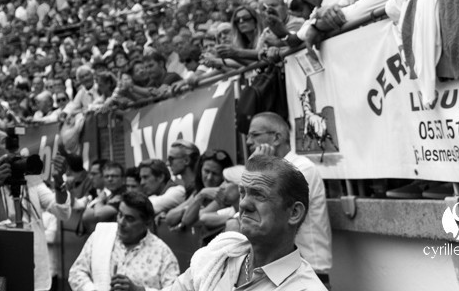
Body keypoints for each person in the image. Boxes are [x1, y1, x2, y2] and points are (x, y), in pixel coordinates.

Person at [128, 155, 326, 291]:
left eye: (258, 195)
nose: (244, 203)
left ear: (294, 212)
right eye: (242, 193)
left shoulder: (305, 287)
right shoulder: (221, 256)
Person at [237, 113, 331, 284]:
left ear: (276, 138)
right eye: (248, 136)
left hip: (306, 273)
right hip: (272, 272)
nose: (249, 142)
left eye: (255, 135)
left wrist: (256, 163)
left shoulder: (301, 168)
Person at [0, 129, 71, 291]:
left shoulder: (31, 180)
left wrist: (59, 183)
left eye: (15, 148)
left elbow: (62, 212)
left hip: (40, 276)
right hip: (9, 276)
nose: (14, 153)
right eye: (6, 148)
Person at [68, 192, 181, 291]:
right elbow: (76, 272)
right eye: (120, 215)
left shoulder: (162, 254)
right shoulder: (101, 236)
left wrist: (140, 290)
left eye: (129, 218)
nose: (121, 222)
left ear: (147, 223)